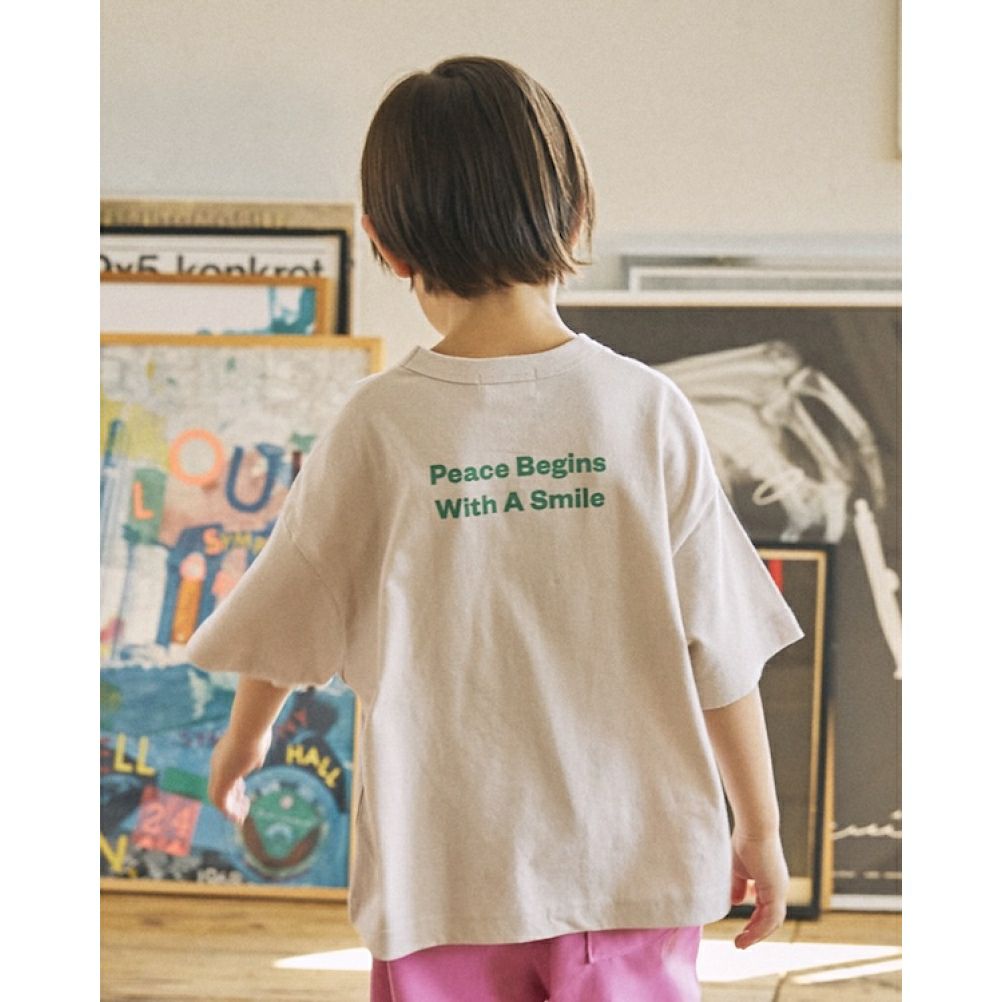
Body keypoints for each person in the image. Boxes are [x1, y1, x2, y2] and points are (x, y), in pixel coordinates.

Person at [187, 54, 804, 1002]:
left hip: (444, 883)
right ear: (574, 210)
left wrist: (245, 742)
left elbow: (292, 613)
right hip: (631, 869)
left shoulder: (378, 426)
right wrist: (758, 824)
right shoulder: (645, 410)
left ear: (384, 242)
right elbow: (721, 651)